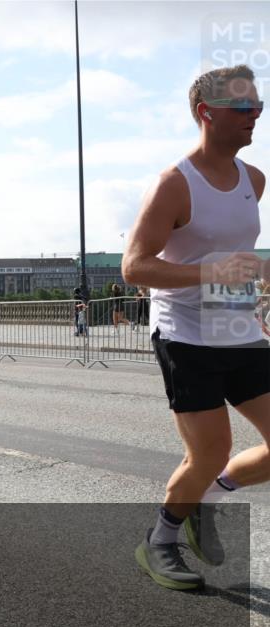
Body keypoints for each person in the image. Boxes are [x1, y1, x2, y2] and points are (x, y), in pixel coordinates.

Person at [122, 65, 269, 591]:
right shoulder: (174, 184)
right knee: (208, 451)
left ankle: (206, 500)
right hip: (186, 336)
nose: (255, 116)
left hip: (241, 331)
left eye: (258, 106)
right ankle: (158, 542)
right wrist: (211, 272)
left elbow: (238, 254)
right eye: (243, 108)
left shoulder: (255, 179)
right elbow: (135, 267)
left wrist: (260, 271)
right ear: (207, 113)